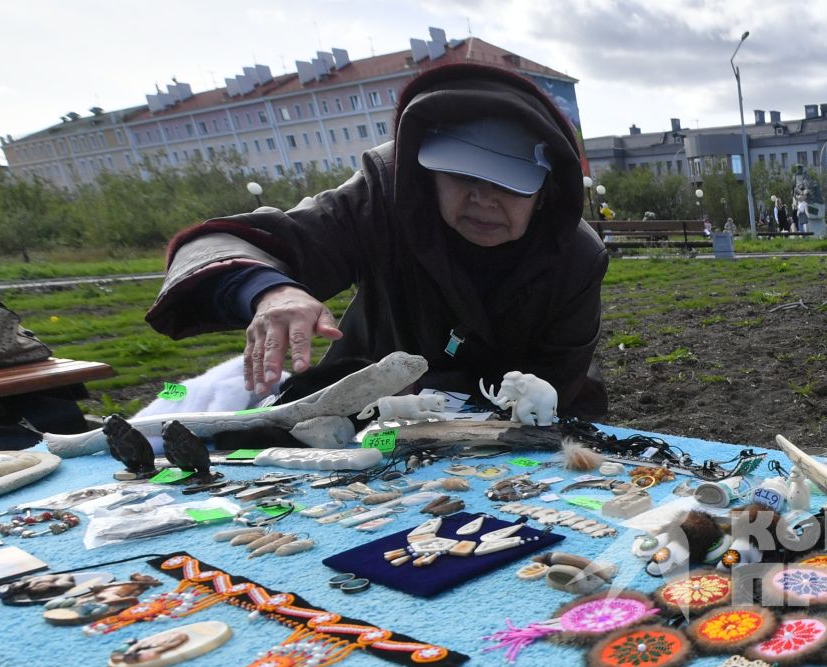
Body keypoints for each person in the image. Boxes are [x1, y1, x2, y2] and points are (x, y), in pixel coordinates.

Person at [145, 63, 611, 418]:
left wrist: (460, 412)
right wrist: (269, 290)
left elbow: (554, 382)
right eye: (460, 174)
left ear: (547, 188)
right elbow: (225, 243)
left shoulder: (578, 257)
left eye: (509, 184)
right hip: (371, 403)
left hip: (508, 417)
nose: (483, 200)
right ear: (426, 169)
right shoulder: (384, 196)